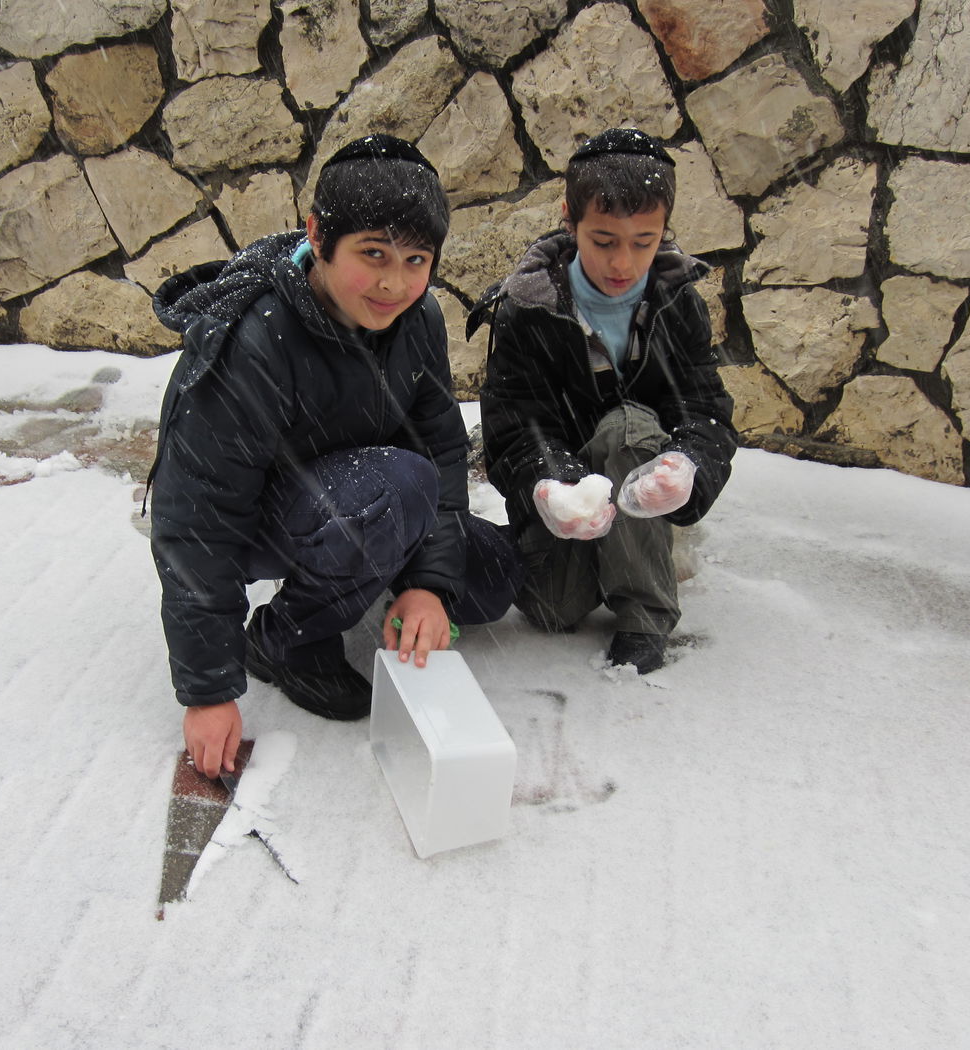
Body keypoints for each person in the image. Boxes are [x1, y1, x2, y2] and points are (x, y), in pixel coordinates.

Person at [148, 134, 520, 779]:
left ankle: (371, 567)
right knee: (398, 489)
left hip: (359, 496)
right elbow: (195, 520)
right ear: (318, 236)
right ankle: (281, 640)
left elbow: (439, 443)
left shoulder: (419, 317)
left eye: (415, 259)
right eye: (371, 254)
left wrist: (429, 584)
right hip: (257, 522)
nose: (393, 282)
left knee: (487, 579)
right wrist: (208, 691)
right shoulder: (255, 335)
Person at [471, 127, 737, 674]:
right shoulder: (529, 308)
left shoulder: (676, 300)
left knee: (627, 428)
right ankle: (602, 558)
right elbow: (515, 423)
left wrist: (687, 466)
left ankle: (644, 612)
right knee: (550, 610)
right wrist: (549, 485)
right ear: (570, 219)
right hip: (569, 495)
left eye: (644, 241)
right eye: (604, 241)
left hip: (640, 476)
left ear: (664, 229)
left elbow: (704, 410)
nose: (624, 263)